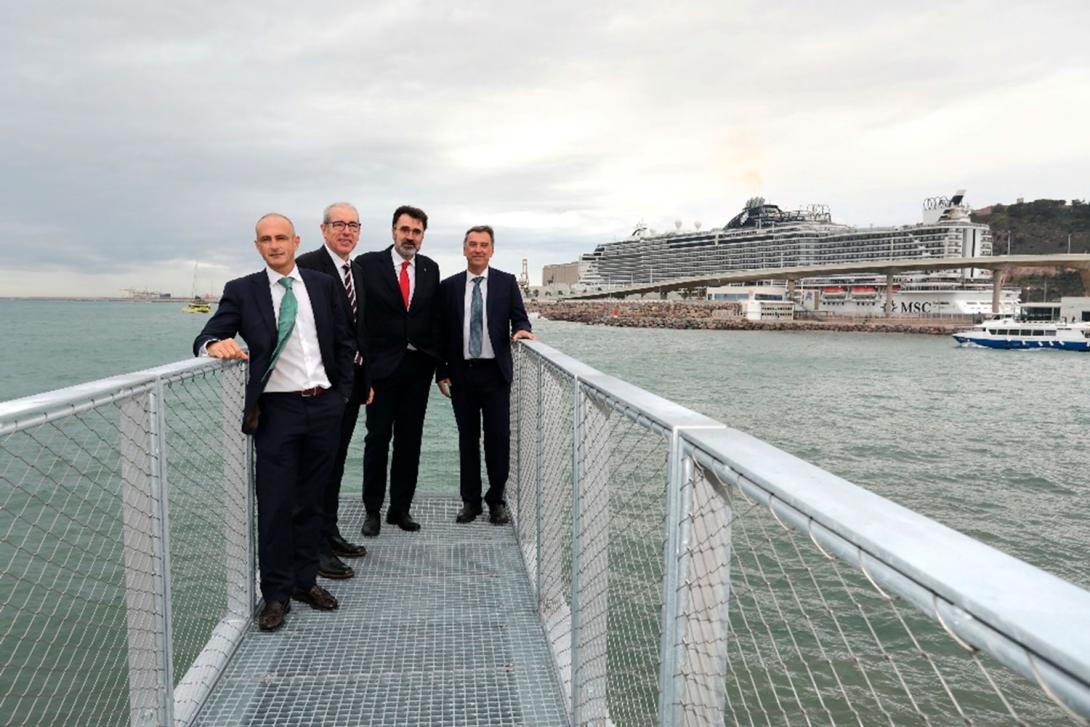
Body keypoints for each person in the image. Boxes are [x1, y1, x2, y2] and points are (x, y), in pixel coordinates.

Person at [193, 213, 354, 632]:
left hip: (324, 407)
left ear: (296, 241)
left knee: (312, 502)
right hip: (277, 412)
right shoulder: (242, 291)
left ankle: (305, 582)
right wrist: (215, 343)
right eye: (266, 239)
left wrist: (341, 395)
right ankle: (277, 594)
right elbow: (209, 332)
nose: (274, 244)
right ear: (257, 246)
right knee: (277, 505)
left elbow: (343, 339)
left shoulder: (321, 285)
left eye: (281, 237)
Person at [436, 225, 534, 525]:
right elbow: (441, 332)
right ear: (464, 249)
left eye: (484, 245)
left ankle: (497, 500)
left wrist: (522, 330)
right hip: (461, 374)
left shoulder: (506, 283)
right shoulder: (449, 286)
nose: (478, 249)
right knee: (468, 439)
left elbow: (519, 315)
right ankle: (470, 501)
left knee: (497, 439)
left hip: (495, 374)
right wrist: (441, 371)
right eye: (473, 244)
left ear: (492, 250)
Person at [296, 202, 373, 580]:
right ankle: (315, 550)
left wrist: (364, 384)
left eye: (353, 225)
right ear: (324, 229)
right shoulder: (307, 265)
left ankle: (329, 533)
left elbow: (361, 334)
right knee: (317, 470)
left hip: (348, 387)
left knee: (336, 462)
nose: (346, 231)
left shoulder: (355, 270)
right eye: (339, 225)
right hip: (318, 388)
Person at [355, 205, 441, 536]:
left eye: (417, 232)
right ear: (393, 231)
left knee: (410, 441)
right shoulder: (367, 265)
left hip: (417, 368)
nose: (410, 236)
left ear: (422, 236)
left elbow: (436, 320)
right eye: (405, 230)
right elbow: (359, 318)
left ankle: (400, 508)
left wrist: (439, 366)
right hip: (380, 370)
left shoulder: (431, 269)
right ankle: (372, 510)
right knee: (377, 439)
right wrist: (362, 370)